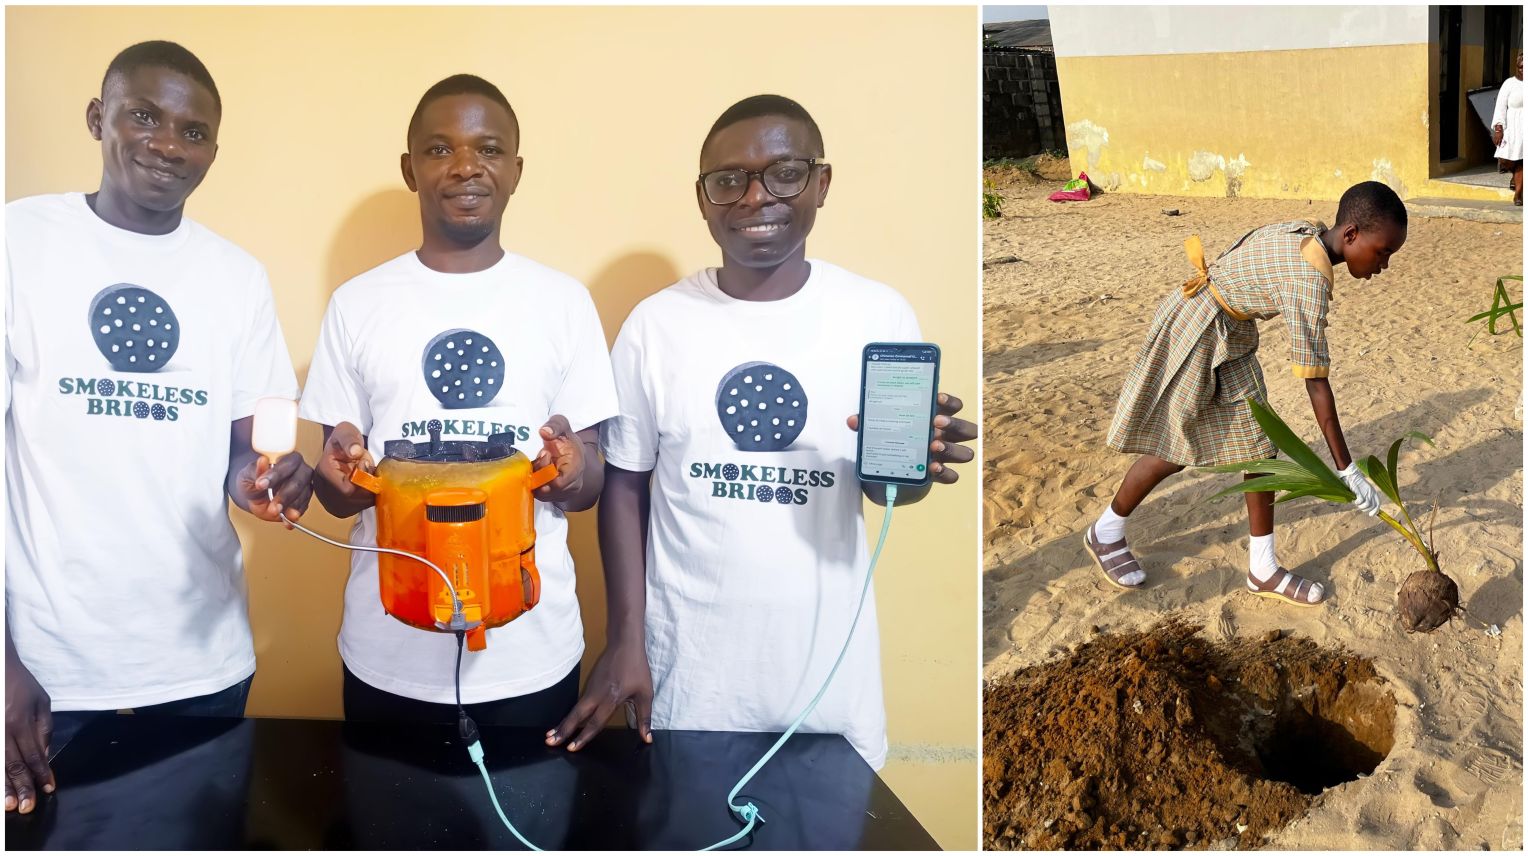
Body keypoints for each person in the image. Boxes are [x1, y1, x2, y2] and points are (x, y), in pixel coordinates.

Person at [548, 95, 976, 767]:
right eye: (729, 180)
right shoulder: (656, 327)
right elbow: (625, 485)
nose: (755, 197)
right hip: (687, 678)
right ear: (702, 197)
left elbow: (887, 493)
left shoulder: (876, 314)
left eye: (783, 173)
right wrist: (625, 637)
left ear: (822, 183)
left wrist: (910, 467)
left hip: (826, 685)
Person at [4, 40, 311, 814]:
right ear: (95, 118)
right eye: (144, 115)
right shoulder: (20, 244)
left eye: (194, 131)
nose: (168, 144)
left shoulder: (235, 278)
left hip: (204, 669)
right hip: (45, 673)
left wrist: (267, 482)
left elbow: (245, 461)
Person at [301, 74, 616, 727]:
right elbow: (337, 493)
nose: (466, 166)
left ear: (517, 169)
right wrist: (336, 479)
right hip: (387, 647)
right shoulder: (357, 304)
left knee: (534, 825)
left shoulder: (562, 303)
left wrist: (573, 471)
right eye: (440, 149)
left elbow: (590, 483)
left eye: (489, 149)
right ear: (409, 169)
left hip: (532, 653)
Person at [1087, 181, 1408, 606]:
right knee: (1177, 444)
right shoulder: (1309, 278)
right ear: (1350, 235)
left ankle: (1262, 568)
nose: (1383, 264)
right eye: (1382, 251)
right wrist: (1346, 469)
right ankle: (1106, 531)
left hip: (1231, 333)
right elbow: (1315, 380)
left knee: (1259, 448)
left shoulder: (1305, 231)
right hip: (1199, 326)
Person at [1492, 52, 1523, 207]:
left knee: (1522, 162)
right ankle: (1514, 176)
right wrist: (1498, 129)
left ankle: (1518, 195)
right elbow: (1500, 107)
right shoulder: (1509, 84)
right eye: (1520, 67)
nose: (1523, 69)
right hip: (1511, 128)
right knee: (1506, 158)